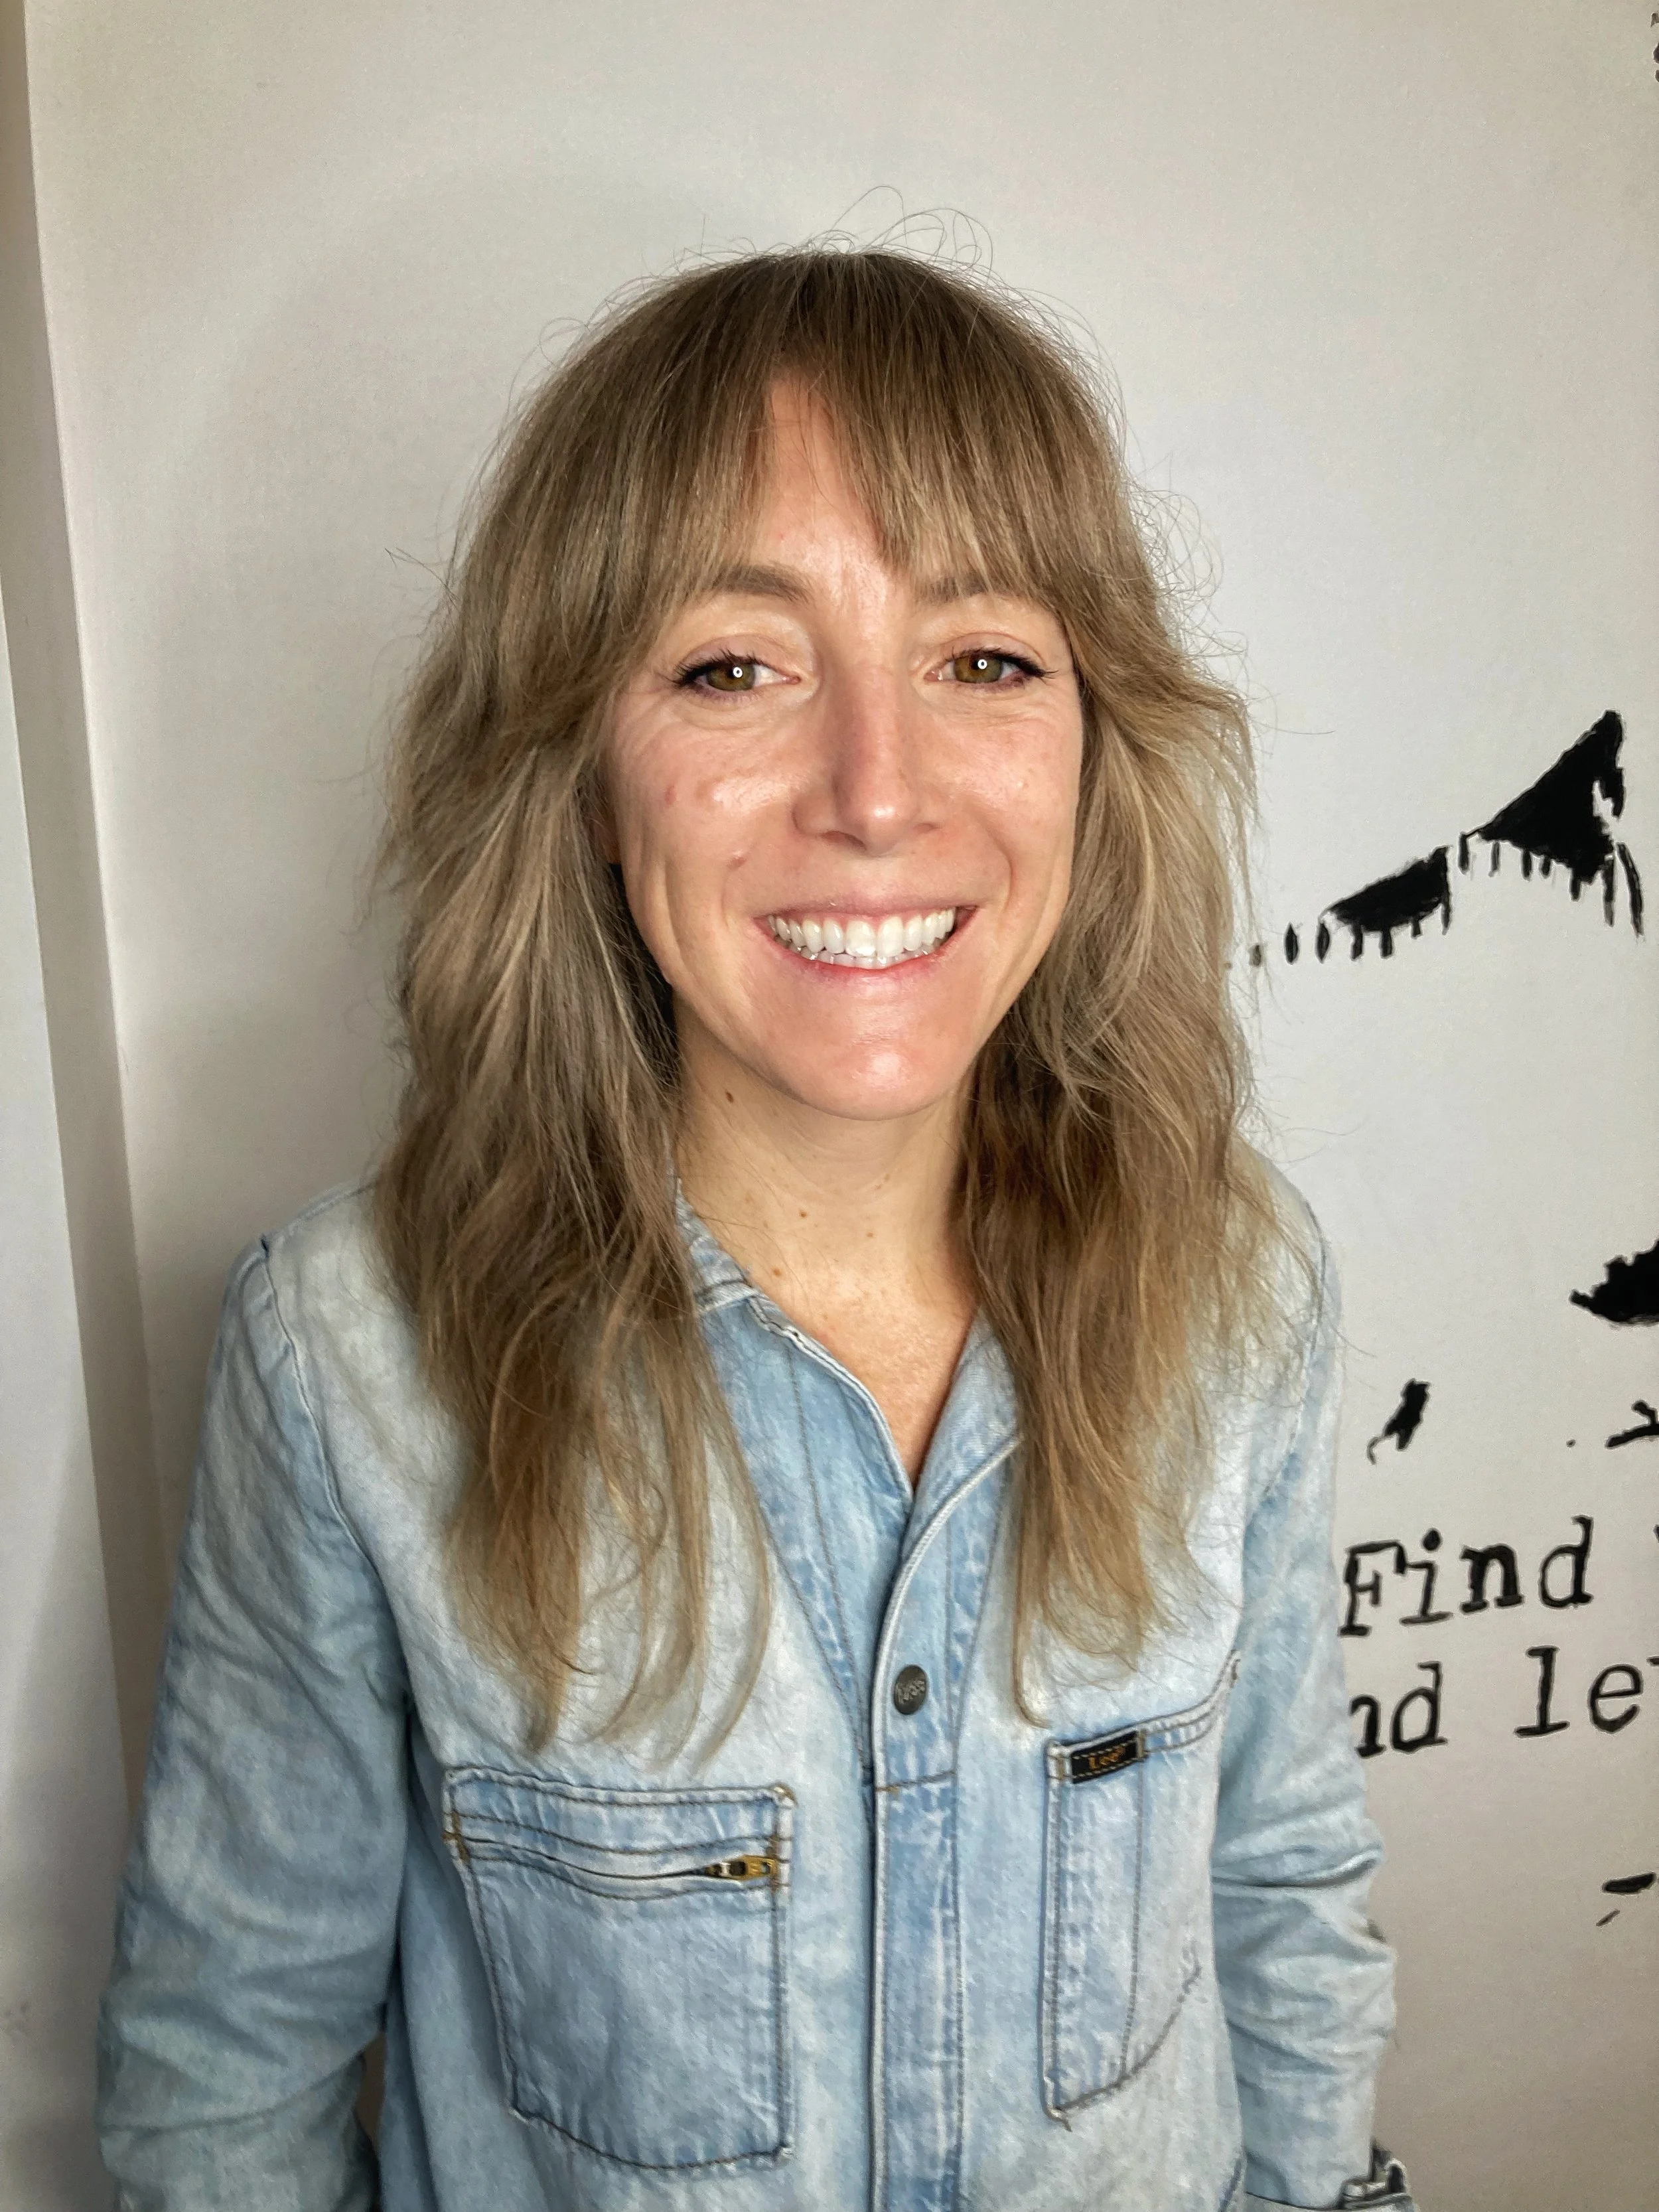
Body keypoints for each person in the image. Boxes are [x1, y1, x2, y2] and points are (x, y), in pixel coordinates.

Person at [95, 248, 1416, 2212]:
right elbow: (229, 2079)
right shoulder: (348, 1359)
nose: (876, 796)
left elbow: (1280, 1884)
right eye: (735, 664)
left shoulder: (1238, 1283)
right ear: (579, 768)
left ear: (1088, 745)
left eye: (982, 658)